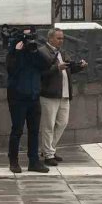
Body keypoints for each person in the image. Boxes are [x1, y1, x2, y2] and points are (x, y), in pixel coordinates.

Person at [38, 28, 87, 166]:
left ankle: (49, 150)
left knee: (62, 123)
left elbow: (69, 69)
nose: (61, 41)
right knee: (48, 125)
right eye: (59, 38)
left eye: (62, 38)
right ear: (50, 39)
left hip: (64, 94)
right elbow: (40, 73)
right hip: (49, 95)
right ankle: (48, 154)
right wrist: (56, 68)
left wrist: (79, 66)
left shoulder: (62, 52)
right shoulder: (42, 52)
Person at [6, 28, 52, 174]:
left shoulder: (34, 54)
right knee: (17, 130)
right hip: (18, 98)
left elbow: (47, 64)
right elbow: (12, 69)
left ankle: (34, 162)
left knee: (34, 131)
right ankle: (13, 161)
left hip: (34, 97)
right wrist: (18, 52)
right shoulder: (14, 53)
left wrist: (36, 50)